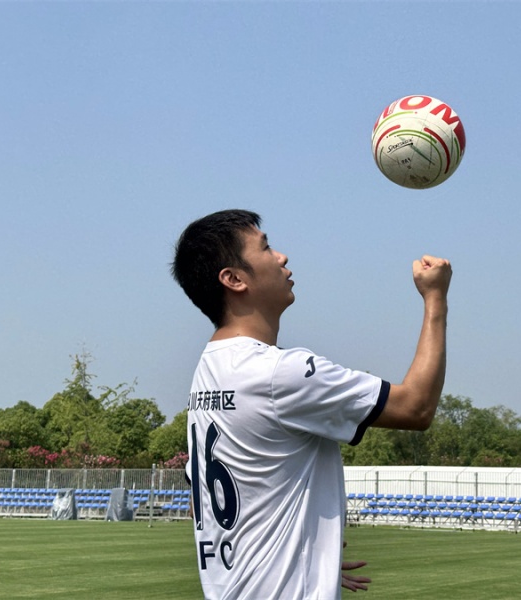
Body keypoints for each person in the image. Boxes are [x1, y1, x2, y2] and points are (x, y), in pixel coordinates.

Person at [171, 209, 451, 600]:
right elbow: (416, 408)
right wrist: (435, 298)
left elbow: (200, 497)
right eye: (266, 248)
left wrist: (298, 554)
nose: (281, 257)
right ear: (233, 279)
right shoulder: (277, 372)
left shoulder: (209, 371)